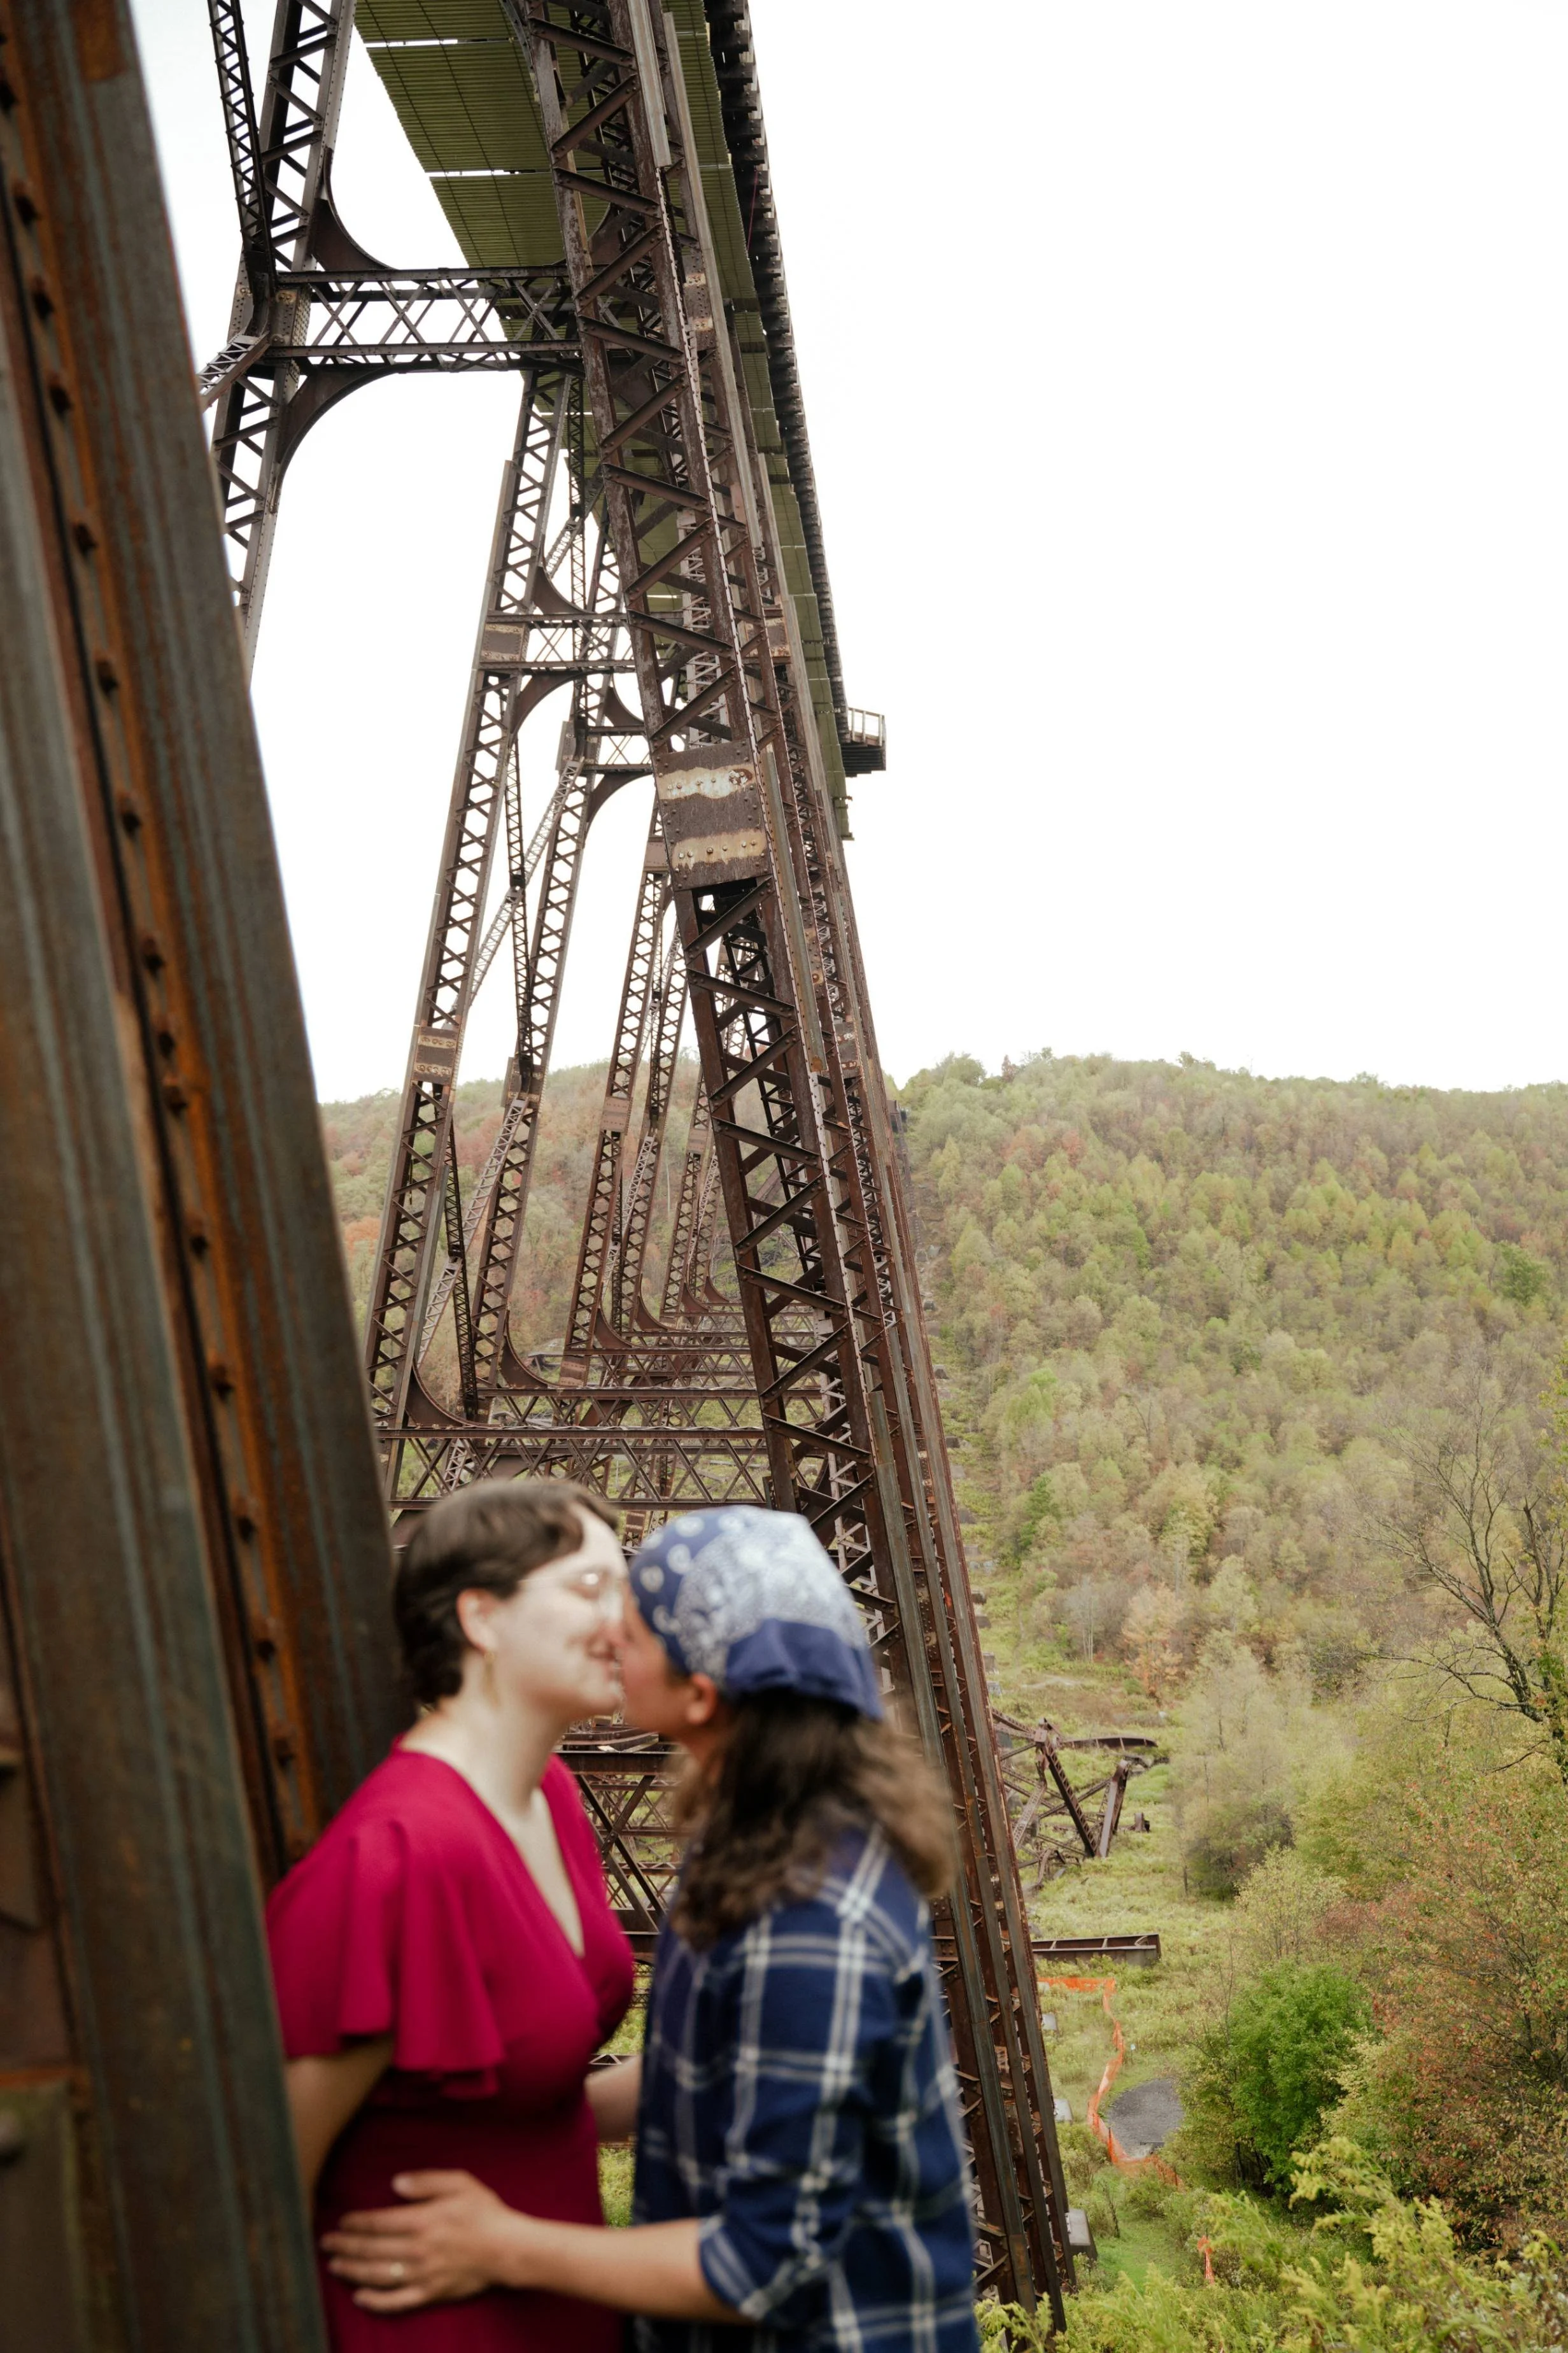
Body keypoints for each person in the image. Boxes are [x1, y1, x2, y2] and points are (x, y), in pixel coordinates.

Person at [321, 1504, 981, 2353]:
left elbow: (759, 2264)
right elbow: (704, 2066)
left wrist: (499, 2245)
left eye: (631, 1629)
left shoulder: (808, 1915)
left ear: (700, 1695)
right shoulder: (757, 1827)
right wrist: (502, 2120)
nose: (607, 1638)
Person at [267, 1478, 639, 2351]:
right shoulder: (398, 1857)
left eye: (627, 1588)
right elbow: (265, 2178)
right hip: (426, 2327)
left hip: (552, 2303)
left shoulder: (548, 1795)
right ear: (481, 1618)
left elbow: (537, 2105)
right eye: (590, 1588)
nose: (624, 1620)